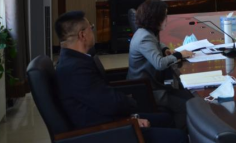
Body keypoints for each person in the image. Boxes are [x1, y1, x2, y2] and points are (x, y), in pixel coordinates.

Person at [54, 11, 187, 143]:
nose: (93, 31)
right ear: (82, 35)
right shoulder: (75, 69)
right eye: (91, 27)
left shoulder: (73, 60)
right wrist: (130, 119)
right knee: (179, 136)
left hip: (108, 119)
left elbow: (102, 99)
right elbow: (108, 104)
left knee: (167, 119)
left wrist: (131, 116)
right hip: (103, 131)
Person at [127, 0, 193, 129]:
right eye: (165, 16)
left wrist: (164, 49)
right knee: (187, 106)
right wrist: (179, 55)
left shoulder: (144, 32)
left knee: (190, 97)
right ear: (155, 19)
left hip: (150, 86)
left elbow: (155, 43)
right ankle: (177, 134)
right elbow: (159, 64)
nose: (167, 20)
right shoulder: (144, 37)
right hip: (147, 91)